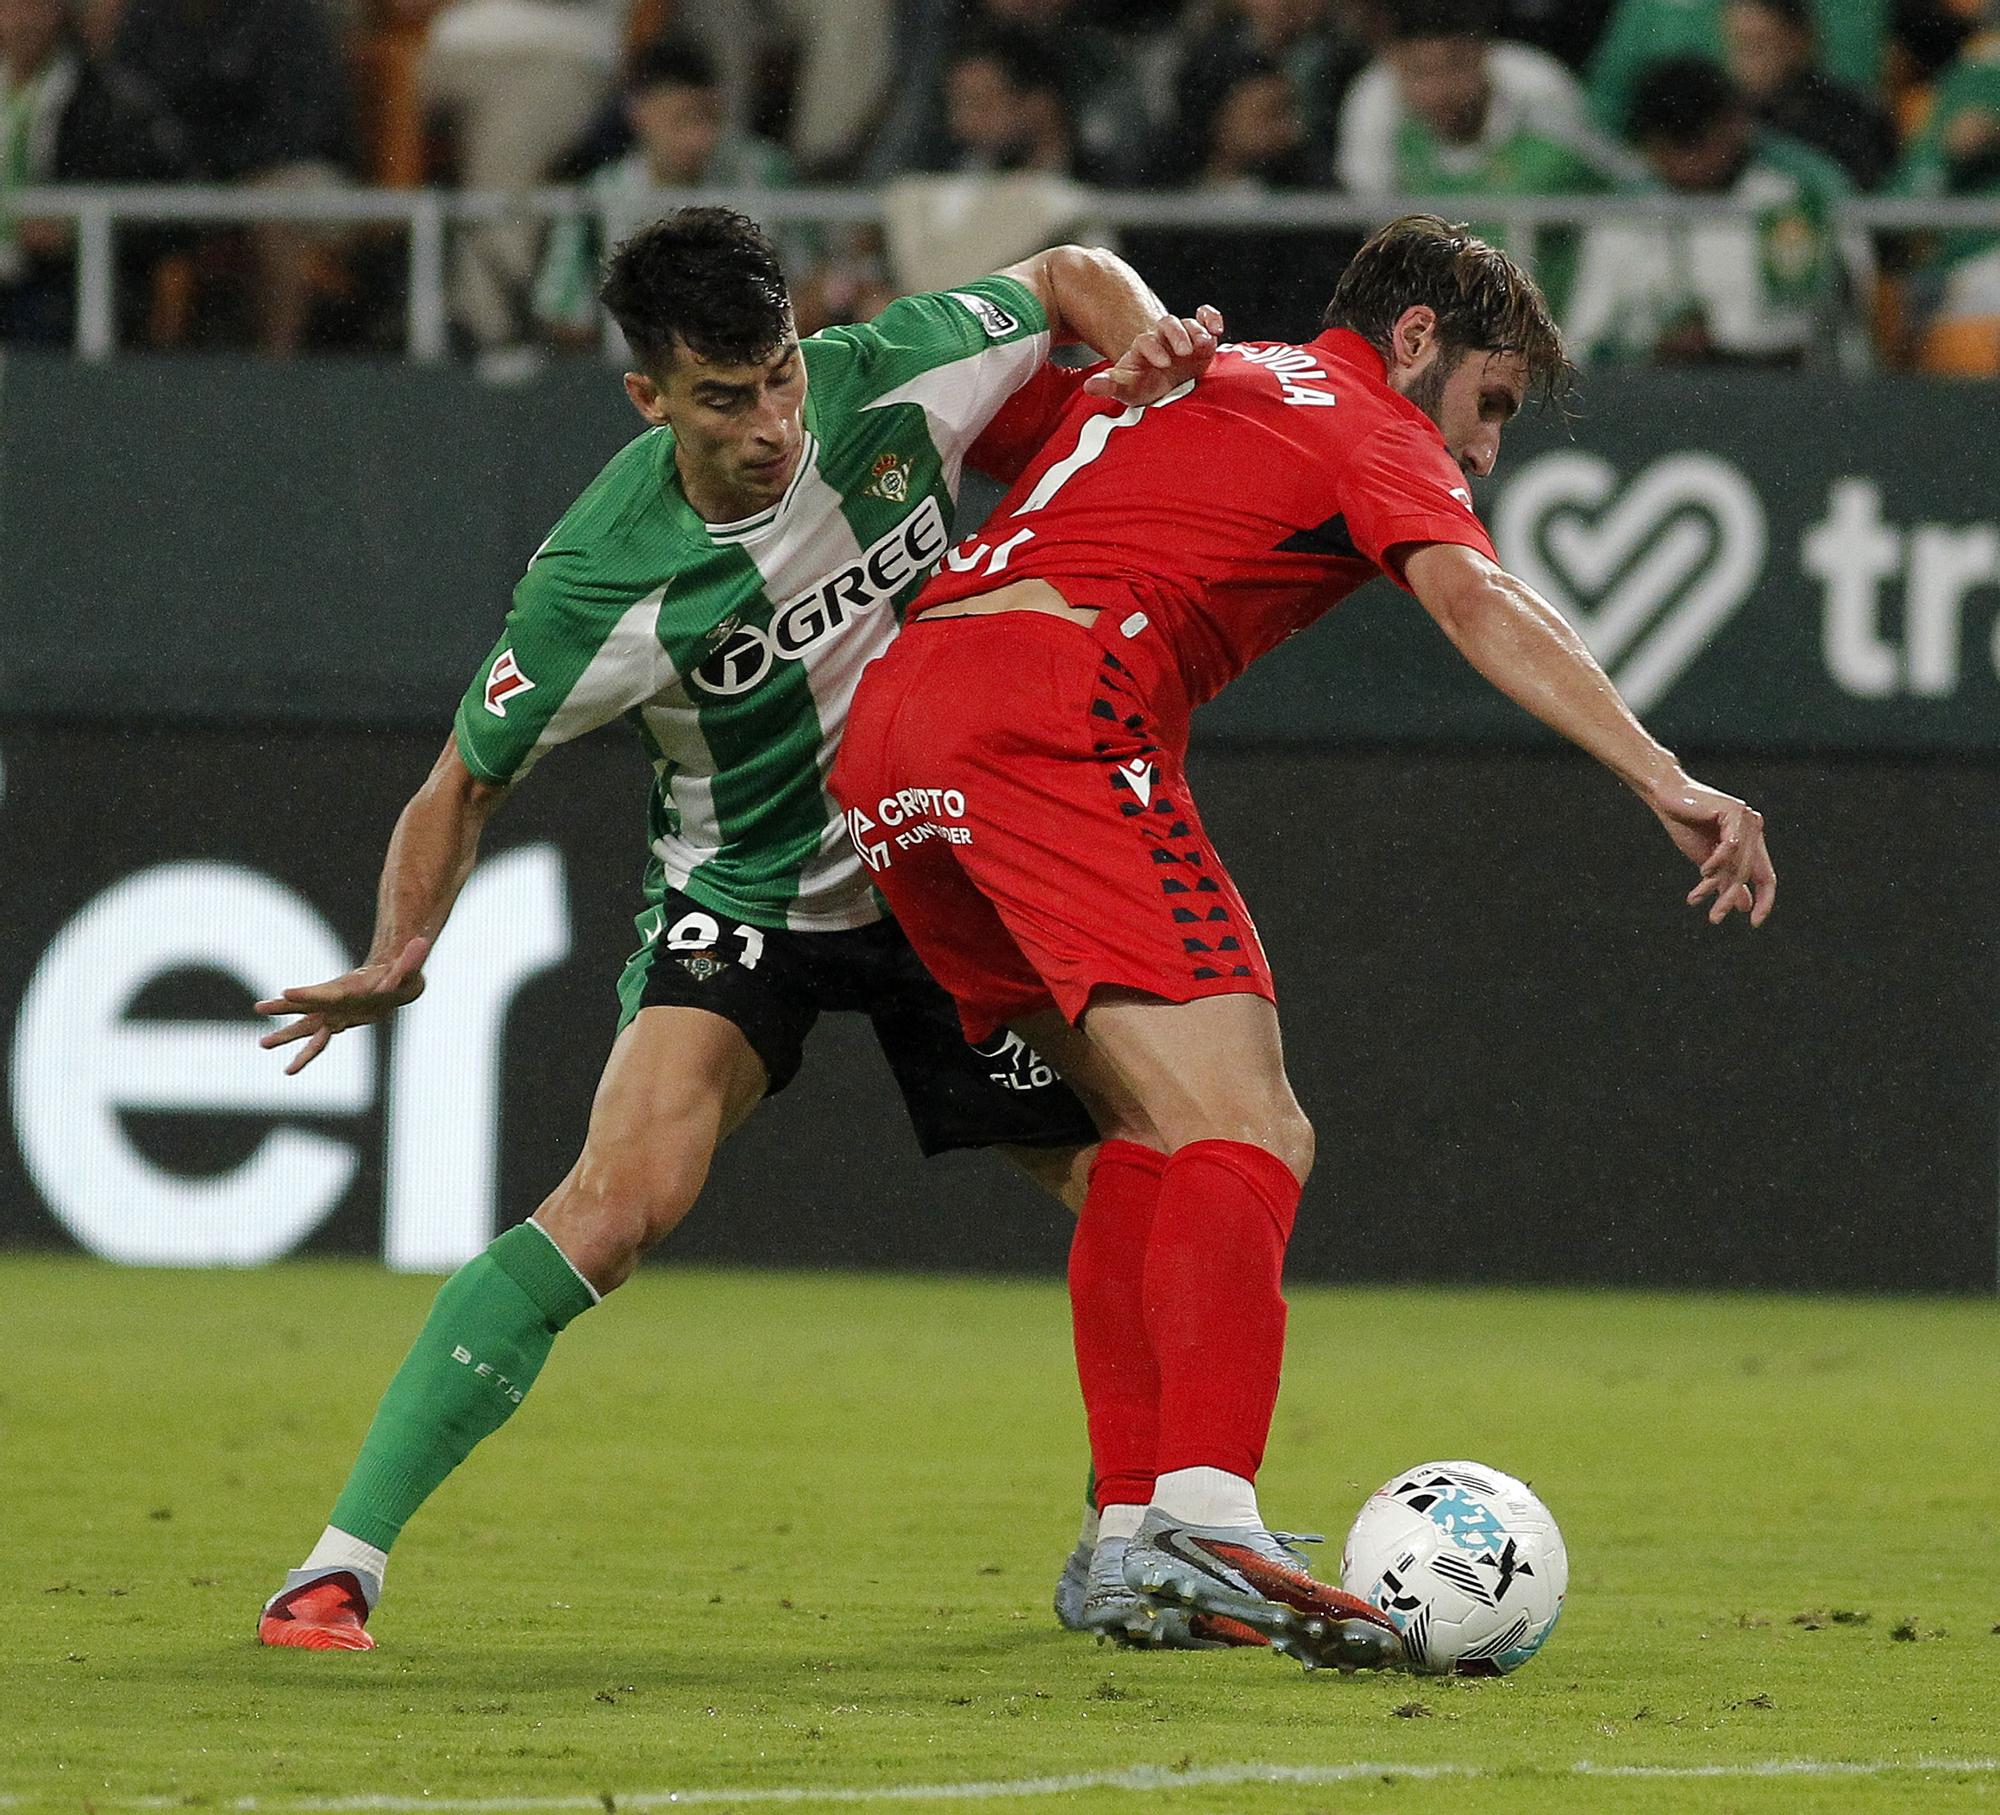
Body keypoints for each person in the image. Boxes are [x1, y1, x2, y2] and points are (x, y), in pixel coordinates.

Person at [252, 206, 1224, 1651]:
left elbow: (1070, 272)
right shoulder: (596, 579)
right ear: (647, 396)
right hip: (746, 898)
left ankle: (1130, 1533)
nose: (772, 425)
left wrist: (1146, 344)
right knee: (614, 1207)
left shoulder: (887, 374)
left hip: (941, 870)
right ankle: (337, 1564)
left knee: (1137, 1168)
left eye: (779, 377)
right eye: (725, 398)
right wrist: (401, 953)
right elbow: (460, 780)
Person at [831, 214, 1776, 1668]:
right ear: (1416, 339)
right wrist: (1663, 775)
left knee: (1146, 1129)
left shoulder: (1184, 376)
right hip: (1052, 703)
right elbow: (1476, 595)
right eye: (1490, 404)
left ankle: (1130, 1537)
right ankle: (1210, 1515)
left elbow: (941, 419)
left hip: (890, 732)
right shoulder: (1361, 418)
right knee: (1253, 1127)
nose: (1485, 453)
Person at [1565, 56, 1869, 366]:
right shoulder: (1626, 213)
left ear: (1734, 124)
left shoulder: (1793, 195)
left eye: (1696, 142)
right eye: (1672, 146)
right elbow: (1584, 341)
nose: (1688, 162)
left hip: (1778, 379)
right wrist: (1651, 346)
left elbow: (1838, 328)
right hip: (1658, 382)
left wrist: (1725, 349)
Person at [1336, 0, 1632, 313]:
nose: (1440, 91)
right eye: (1420, 73)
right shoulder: (1373, 104)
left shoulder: (1540, 90)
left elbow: (1615, 181)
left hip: (1564, 276)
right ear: (1394, 64)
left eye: (1454, 67)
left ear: (1483, 53)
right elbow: (1378, 231)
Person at [533, 38, 803, 347]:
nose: (699, 139)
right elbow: (564, 314)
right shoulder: (598, 197)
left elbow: (813, 280)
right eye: (682, 119)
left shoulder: (767, 174)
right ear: (639, 113)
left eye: (709, 118)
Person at [0, 0, 187, 345]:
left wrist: (74, 233)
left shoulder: (107, 101)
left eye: (37, 8)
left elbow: (162, 215)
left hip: (52, 286)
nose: (24, 22)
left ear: (60, 14)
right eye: (13, 7)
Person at [1720, 0, 1897, 191]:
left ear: (1799, 41)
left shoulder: (1854, 116)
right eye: (1738, 46)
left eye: (1759, 46)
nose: (1745, 62)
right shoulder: (1724, 122)